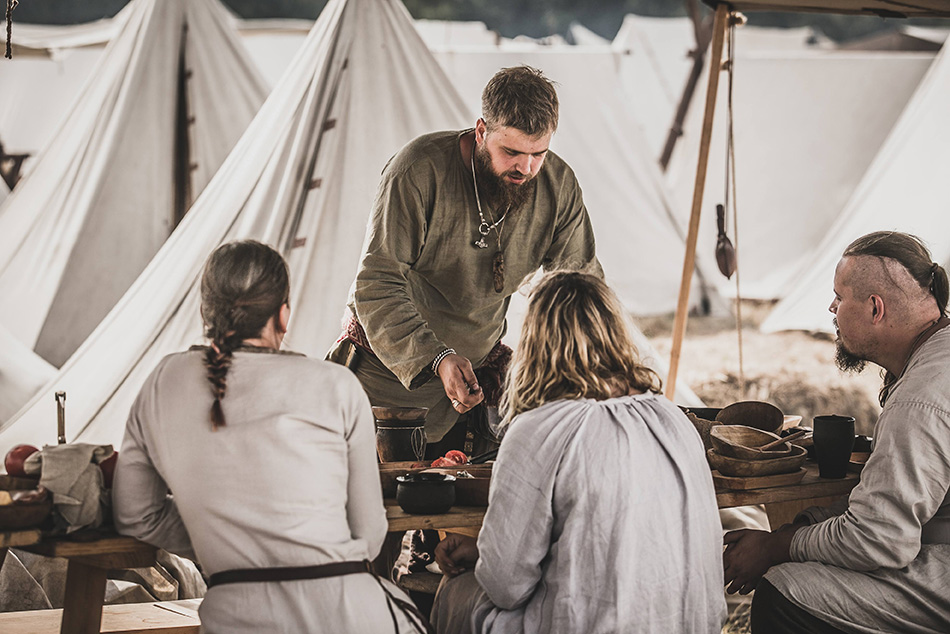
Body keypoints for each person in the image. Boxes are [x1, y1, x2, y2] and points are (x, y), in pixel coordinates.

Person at [113, 240, 426, 633]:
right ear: (283, 316)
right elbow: (368, 535)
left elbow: (135, 515)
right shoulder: (337, 385)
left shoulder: (162, 383)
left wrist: (227, 543)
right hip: (350, 614)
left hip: (237, 616)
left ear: (205, 313)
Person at [429, 271, 726, 634]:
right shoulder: (670, 416)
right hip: (689, 624)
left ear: (536, 345)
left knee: (456, 593)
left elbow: (506, 587)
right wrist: (482, 550)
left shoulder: (542, 429)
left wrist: (488, 560)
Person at [328, 65, 601, 454]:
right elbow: (377, 283)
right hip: (387, 389)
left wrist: (580, 366)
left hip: (473, 395)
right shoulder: (418, 170)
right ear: (481, 131)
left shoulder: (558, 186)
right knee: (377, 507)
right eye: (511, 152)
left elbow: (581, 289)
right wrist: (437, 358)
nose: (526, 168)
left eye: (538, 153)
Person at [722, 231, 950, 633]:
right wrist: (800, 527)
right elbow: (888, 505)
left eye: (839, 297)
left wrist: (777, 547)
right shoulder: (936, 357)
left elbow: (880, 539)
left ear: (875, 308)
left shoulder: (920, 398)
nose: (831, 307)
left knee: (787, 589)